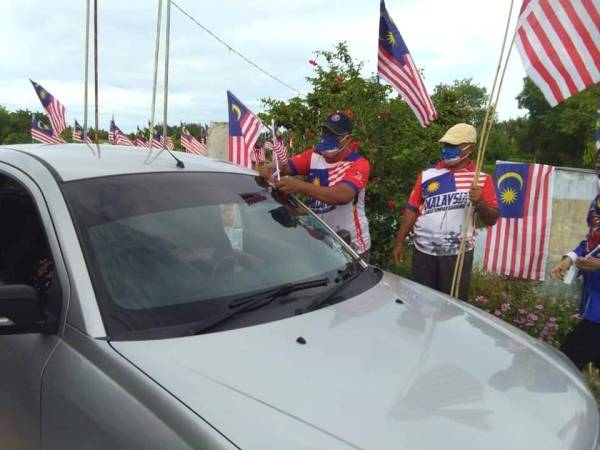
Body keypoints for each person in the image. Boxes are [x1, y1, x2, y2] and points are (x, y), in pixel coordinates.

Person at [392, 123, 499, 300]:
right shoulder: (427, 174)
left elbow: (492, 219)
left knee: (451, 307)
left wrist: (479, 202)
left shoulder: (481, 179)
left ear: (469, 148)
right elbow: (412, 208)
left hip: (457, 256)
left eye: (453, 146)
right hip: (422, 252)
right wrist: (399, 241)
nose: (447, 149)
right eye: (445, 145)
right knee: (419, 302)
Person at [258, 111, 371, 260]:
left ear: (348, 139)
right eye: (325, 132)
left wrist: (301, 186)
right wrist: (272, 167)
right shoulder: (315, 155)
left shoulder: (358, 163)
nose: (327, 138)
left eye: (334, 135)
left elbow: (343, 195)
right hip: (319, 243)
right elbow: (286, 166)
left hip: (350, 246)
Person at [550, 188, 600, 370]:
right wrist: (569, 259)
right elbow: (590, 241)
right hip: (593, 301)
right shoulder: (597, 202)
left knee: (565, 364)